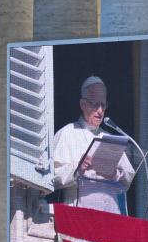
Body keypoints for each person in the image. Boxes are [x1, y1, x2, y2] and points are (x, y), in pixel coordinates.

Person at [52, 76, 134, 210]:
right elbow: (50, 178)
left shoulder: (110, 138)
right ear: (83, 105)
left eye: (103, 104)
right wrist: (78, 168)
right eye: (95, 104)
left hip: (111, 215)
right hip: (79, 217)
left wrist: (116, 174)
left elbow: (128, 178)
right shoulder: (67, 133)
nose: (100, 111)